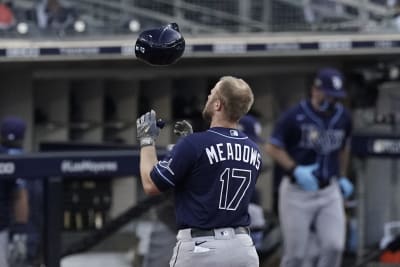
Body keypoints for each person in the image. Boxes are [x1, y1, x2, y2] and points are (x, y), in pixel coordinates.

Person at [137, 76, 262, 267]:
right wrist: (188, 144)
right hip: (242, 248)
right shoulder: (253, 149)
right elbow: (208, 176)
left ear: (218, 105)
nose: (208, 97)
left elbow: (151, 185)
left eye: (212, 94)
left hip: (202, 248)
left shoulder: (194, 144)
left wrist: (147, 140)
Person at [265, 67, 354, 267]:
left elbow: (344, 147)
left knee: (334, 246)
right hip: (297, 192)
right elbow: (272, 147)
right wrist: (294, 168)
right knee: (296, 255)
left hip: (328, 190)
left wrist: (341, 176)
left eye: (336, 97)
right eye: (329, 96)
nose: (332, 101)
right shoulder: (294, 115)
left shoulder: (344, 117)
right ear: (316, 90)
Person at [0, 116, 29, 267]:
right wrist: (20, 233)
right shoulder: (18, 157)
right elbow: (20, 196)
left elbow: (20, 194)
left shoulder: (13, 156)